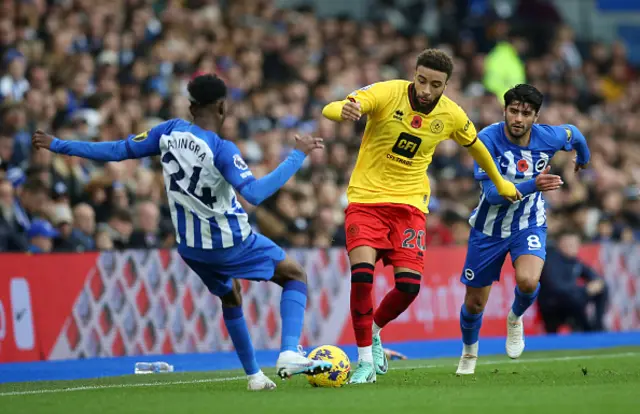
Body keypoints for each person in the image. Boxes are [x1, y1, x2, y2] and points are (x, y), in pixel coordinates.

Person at [31, 74, 331, 391]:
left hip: (191, 247)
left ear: (190, 107)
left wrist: (60, 145)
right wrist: (297, 155)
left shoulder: (167, 131)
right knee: (294, 275)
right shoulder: (221, 148)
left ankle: (255, 376)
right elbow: (254, 194)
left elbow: (118, 150)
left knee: (231, 296)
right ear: (222, 107)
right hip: (229, 241)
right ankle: (288, 352)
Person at [321, 48, 520, 384]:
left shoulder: (451, 115)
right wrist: (344, 111)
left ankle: (374, 330)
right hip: (366, 201)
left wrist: (500, 182)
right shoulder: (387, 92)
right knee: (363, 276)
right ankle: (365, 362)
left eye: (435, 84)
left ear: (446, 85)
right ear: (414, 74)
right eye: (422, 80)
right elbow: (333, 107)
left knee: (409, 287)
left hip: (410, 207)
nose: (426, 89)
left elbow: (476, 147)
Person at [455, 84, 591, 375]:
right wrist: (534, 185)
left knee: (529, 281)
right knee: (474, 304)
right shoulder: (487, 140)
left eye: (525, 113)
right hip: (488, 229)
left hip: (528, 223)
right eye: (513, 111)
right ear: (505, 110)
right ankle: (469, 352)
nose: (518, 118)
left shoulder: (548, 137)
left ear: (535, 116)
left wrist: (584, 156)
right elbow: (492, 194)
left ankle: (514, 318)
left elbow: (575, 134)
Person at [538, 230, 608, 333]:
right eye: (569, 244)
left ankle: (598, 326)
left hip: (572, 298)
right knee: (575, 297)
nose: (573, 247)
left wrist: (597, 283)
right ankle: (586, 328)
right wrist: (584, 289)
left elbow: (593, 276)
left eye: (575, 244)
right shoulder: (551, 261)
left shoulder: (575, 261)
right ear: (560, 245)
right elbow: (556, 287)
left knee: (602, 288)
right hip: (553, 303)